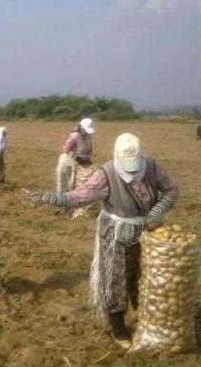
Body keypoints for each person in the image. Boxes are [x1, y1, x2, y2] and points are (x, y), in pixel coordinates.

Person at [35, 133, 179, 349]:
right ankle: (118, 328)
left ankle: (147, 318)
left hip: (147, 233)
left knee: (145, 276)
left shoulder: (151, 167)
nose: (132, 171)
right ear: (117, 157)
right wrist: (51, 197)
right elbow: (79, 196)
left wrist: (158, 209)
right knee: (115, 278)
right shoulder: (106, 174)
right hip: (115, 235)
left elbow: (172, 190)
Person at [56, 117, 95, 193]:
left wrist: (87, 158)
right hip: (68, 162)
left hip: (81, 162)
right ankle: (62, 200)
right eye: (86, 130)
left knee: (77, 183)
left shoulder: (88, 136)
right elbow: (65, 149)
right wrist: (76, 158)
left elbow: (89, 149)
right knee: (65, 182)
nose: (87, 132)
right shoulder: (75, 136)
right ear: (81, 127)